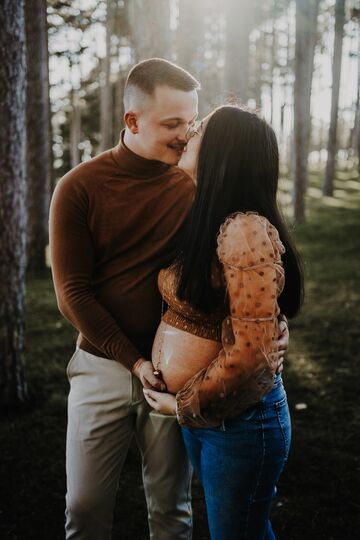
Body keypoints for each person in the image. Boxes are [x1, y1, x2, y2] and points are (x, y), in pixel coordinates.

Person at [49, 58, 289, 540]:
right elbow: (72, 292)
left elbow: (244, 272)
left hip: (182, 375)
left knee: (173, 510)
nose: (184, 135)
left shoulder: (196, 183)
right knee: (84, 507)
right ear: (132, 121)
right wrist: (133, 360)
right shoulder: (79, 187)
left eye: (190, 122)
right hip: (104, 363)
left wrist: (270, 325)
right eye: (172, 124)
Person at [143, 106, 303, 540]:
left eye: (200, 129)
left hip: (239, 423)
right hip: (215, 420)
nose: (190, 133)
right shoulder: (207, 215)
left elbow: (253, 354)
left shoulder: (245, 230)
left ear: (224, 152)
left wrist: (183, 405)